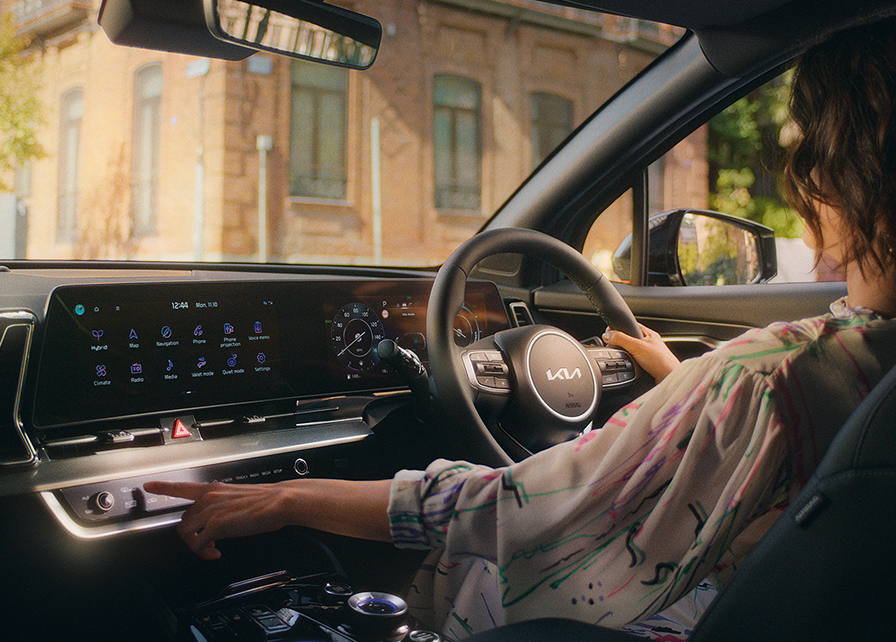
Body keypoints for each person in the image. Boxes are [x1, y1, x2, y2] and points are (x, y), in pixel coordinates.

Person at [145, 18, 896, 641]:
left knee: (464, 567)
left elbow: (513, 509)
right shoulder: (810, 377)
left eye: (806, 145)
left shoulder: (759, 380)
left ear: (837, 171)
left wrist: (282, 501)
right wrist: (686, 386)